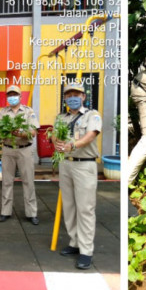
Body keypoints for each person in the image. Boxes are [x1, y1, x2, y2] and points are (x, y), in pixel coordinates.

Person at [54, 81, 102, 270]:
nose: (72, 97)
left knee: (85, 209)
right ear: (65, 98)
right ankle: (74, 242)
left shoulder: (92, 115)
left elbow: (91, 135)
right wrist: (56, 142)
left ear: (83, 96)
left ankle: (86, 251)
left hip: (85, 166)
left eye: (76, 94)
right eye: (69, 95)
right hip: (66, 165)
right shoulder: (61, 117)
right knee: (70, 206)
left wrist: (73, 145)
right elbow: (54, 136)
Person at [0, 85, 39, 224]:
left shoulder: (28, 111)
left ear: (20, 97)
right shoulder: (2, 112)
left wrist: (20, 133)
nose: (12, 97)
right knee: (7, 181)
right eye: (10, 95)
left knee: (28, 181)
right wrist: (7, 132)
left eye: (15, 94)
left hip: (24, 149)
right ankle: (5, 211)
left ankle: (31, 213)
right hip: (8, 149)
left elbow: (33, 132)